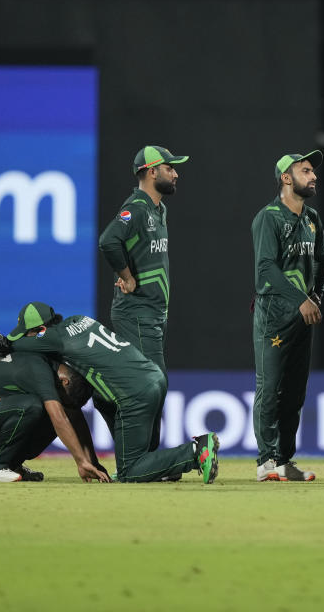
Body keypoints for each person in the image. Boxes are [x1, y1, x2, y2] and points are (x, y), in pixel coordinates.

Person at [0, 302, 219, 484]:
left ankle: (196, 452)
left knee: (130, 471)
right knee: (101, 399)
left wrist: (1, 339)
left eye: (30, 332)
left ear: (40, 329)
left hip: (133, 394)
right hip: (153, 376)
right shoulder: (79, 319)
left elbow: (16, 344)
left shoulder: (50, 337)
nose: (30, 338)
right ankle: (163, 467)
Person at [98, 145, 189, 449]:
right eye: (169, 168)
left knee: (151, 385)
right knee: (153, 384)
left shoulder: (159, 209)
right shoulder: (136, 207)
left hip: (152, 313)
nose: (175, 173)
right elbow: (108, 240)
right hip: (136, 312)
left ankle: (145, 456)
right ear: (152, 172)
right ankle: (145, 458)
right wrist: (127, 277)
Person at [251, 151, 324, 481]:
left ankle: (284, 460)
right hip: (274, 313)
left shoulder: (311, 217)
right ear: (287, 178)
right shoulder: (268, 217)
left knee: (295, 392)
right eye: (305, 171)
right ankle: (266, 462)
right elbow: (265, 269)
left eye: (313, 171)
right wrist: (302, 300)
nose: (313, 176)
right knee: (270, 388)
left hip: (303, 314)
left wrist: (316, 296)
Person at [0, 352, 109, 483]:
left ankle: (11, 464)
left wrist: (91, 462)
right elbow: (60, 418)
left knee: (52, 410)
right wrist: (81, 462)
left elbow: (74, 418)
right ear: (64, 381)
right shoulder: (40, 371)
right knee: (34, 406)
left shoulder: (51, 366)